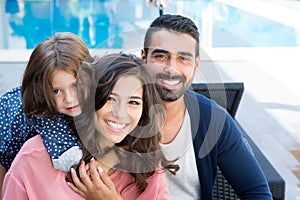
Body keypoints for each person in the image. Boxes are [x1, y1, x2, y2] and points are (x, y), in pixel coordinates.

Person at [2, 53, 178, 200]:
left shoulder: (150, 170)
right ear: (90, 99)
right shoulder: (34, 158)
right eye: (111, 99)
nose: (120, 113)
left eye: (133, 102)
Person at [139, 14, 272, 199]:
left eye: (183, 58)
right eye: (161, 56)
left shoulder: (212, 119)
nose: (171, 68)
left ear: (196, 65)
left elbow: (257, 192)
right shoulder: (120, 115)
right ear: (144, 58)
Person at [0, 31, 92, 198]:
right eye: (56, 91)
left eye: (76, 85)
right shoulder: (32, 113)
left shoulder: (99, 103)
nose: (69, 99)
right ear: (42, 91)